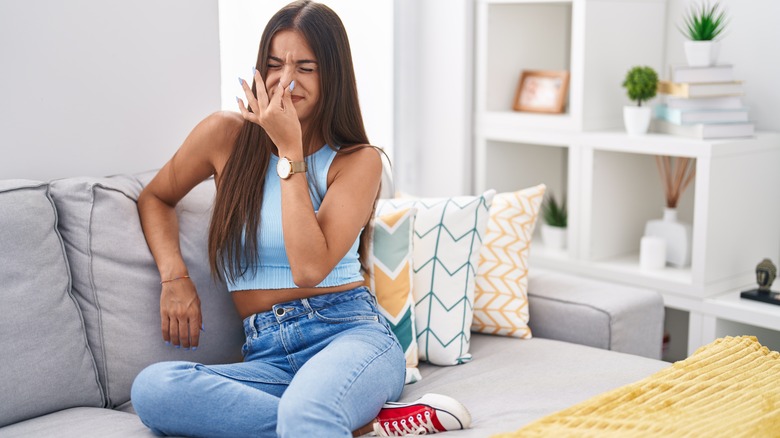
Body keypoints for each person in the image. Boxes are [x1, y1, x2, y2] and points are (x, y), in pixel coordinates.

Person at [129, 1, 471, 436]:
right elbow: (156, 197)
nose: (284, 79)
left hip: (350, 336)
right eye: (274, 64)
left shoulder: (357, 161)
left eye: (305, 67)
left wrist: (289, 153)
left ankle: (320, 417)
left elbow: (309, 268)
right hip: (267, 357)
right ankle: (365, 425)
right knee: (155, 388)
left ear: (333, 77)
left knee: (306, 411)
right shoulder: (224, 136)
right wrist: (174, 277)